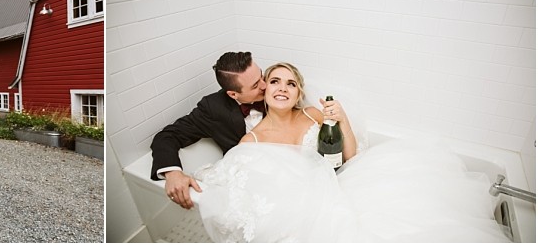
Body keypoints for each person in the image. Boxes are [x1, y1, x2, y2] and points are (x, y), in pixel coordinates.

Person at [194, 62, 512, 242]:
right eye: (275, 80)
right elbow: (246, 196)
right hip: (308, 206)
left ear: (298, 93)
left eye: (291, 84)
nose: (282, 87)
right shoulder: (252, 142)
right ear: (264, 91)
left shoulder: (314, 116)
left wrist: (342, 118)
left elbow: (351, 158)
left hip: (343, 182)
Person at [150, 51, 267, 209]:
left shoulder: (277, 88)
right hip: (246, 178)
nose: (265, 85)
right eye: (255, 85)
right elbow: (167, 136)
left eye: (261, 75)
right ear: (233, 94)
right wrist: (173, 173)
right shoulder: (213, 108)